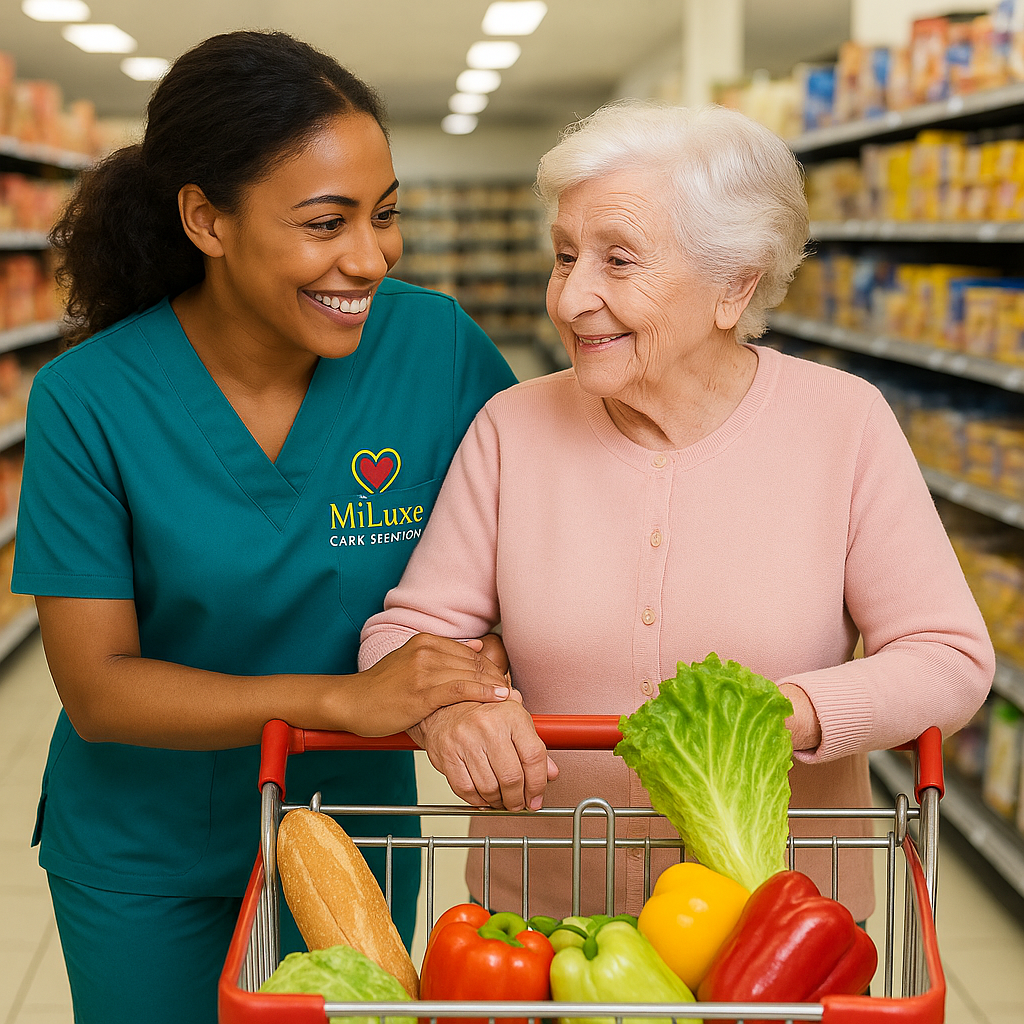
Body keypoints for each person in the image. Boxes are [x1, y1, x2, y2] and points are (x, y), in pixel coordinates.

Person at [360, 100, 995, 924]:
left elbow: (948, 658)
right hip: (551, 927)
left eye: (618, 261)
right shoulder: (512, 429)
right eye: (564, 257)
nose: (572, 298)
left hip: (778, 928)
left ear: (733, 285)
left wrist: (782, 717)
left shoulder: (844, 423)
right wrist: (448, 709)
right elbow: (404, 635)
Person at [11, 30, 517, 1024]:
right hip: (144, 848)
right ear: (206, 218)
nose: (368, 257)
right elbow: (99, 686)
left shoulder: (435, 346)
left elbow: (532, 534)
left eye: (385, 215)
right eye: (326, 222)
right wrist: (349, 698)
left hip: (352, 834)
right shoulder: (89, 398)